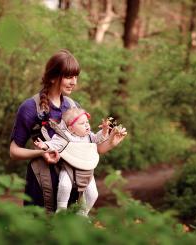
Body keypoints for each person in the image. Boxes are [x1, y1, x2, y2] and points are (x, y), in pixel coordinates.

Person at [9, 49, 127, 212]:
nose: (74, 82)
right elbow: (14, 151)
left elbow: (90, 147)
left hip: (73, 186)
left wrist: (111, 142)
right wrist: (41, 153)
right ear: (52, 77)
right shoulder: (30, 108)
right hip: (41, 186)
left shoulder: (73, 106)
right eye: (68, 77)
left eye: (75, 77)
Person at [34, 107, 113, 216]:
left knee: (93, 194)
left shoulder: (89, 136)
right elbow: (55, 143)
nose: (87, 125)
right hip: (69, 168)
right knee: (65, 186)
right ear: (71, 128)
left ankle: (83, 214)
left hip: (87, 169)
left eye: (87, 122)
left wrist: (104, 130)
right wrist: (44, 145)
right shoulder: (65, 136)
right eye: (82, 123)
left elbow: (98, 139)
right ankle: (61, 210)